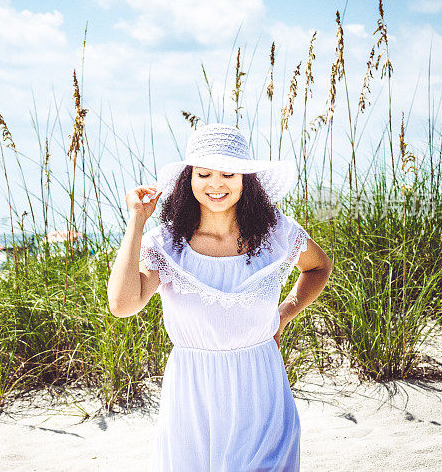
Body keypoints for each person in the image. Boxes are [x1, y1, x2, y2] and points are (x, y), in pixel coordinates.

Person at [107, 123, 333, 471]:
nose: (216, 183)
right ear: (189, 178)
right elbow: (123, 306)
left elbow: (318, 268)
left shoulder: (277, 233)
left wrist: (285, 312)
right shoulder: (166, 244)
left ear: (245, 179)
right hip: (192, 396)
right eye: (204, 173)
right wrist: (136, 221)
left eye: (229, 173)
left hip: (261, 388)